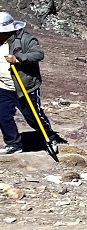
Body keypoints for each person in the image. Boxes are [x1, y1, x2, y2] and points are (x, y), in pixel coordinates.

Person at [1, 13, 60, 154]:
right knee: (2, 115)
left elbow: (39, 54)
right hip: (3, 87)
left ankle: (49, 137)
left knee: (33, 116)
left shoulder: (25, 39)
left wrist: (18, 59)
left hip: (24, 87)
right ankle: (13, 144)